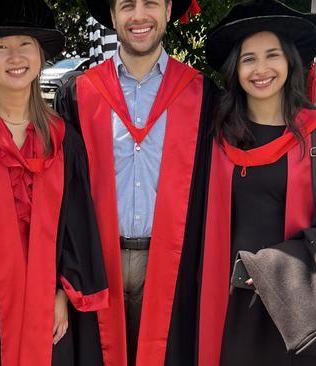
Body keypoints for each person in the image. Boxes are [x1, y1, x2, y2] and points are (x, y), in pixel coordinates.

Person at [0, 0, 109, 365]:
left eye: (25, 44)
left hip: (47, 305)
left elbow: (76, 226)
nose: (15, 57)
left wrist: (62, 292)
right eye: (0, 47)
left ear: (40, 56)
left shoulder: (63, 140)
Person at [198, 1, 316, 365]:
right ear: (235, 68)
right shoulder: (215, 136)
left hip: (293, 306)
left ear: (290, 61)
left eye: (272, 55)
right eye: (248, 59)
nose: (260, 69)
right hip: (222, 302)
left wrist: (274, 268)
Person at [55, 0, 217, 365]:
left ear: (168, 9)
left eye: (151, 3)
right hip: (97, 264)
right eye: (127, 5)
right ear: (113, 15)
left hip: (172, 264)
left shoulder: (201, 94)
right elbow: (64, 195)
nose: (139, 15)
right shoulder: (79, 92)